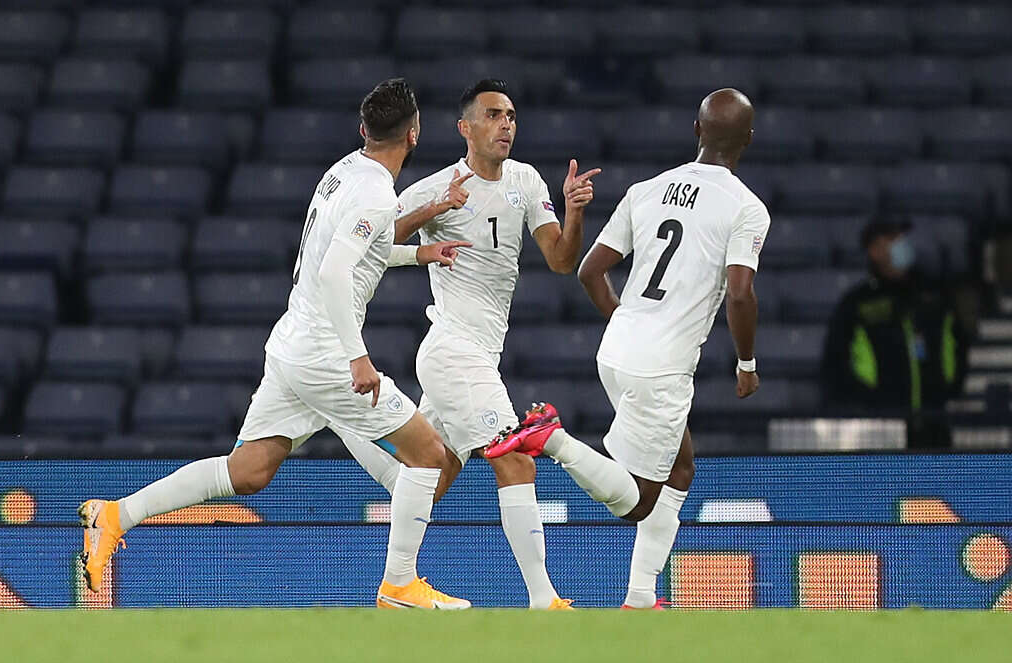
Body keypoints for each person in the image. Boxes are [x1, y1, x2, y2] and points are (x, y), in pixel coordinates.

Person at [79, 78, 474, 610]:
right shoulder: (377, 194)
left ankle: (115, 515)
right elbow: (335, 273)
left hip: (292, 344)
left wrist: (419, 255)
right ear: (414, 134)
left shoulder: (342, 172)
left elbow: (346, 253)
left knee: (248, 471)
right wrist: (357, 357)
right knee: (429, 456)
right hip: (326, 355)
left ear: (363, 130)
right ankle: (399, 584)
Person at [485, 88, 770, 610]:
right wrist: (746, 364)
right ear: (748, 140)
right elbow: (740, 292)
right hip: (662, 367)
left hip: (616, 349)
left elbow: (590, 271)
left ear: (696, 130)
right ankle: (552, 439)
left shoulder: (647, 190)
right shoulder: (746, 208)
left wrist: (627, 324)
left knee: (680, 467)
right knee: (638, 502)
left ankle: (641, 597)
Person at [341, 79, 599, 610]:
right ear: (466, 127)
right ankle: (545, 599)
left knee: (428, 476)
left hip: (478, 353)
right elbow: (372, 242)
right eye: (494, 115)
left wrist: (573, 211)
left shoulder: (526, 180)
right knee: (516, 459)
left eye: (511, 115)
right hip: (453, 350)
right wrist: (432, 217)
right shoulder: (437, 186)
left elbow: (560, 260)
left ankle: (394, 582)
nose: (506, 124)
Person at [822, 218, 967, 445]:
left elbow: (957, 344)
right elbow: (837, 362)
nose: (901, 244)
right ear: (874, 250)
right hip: (883, 427)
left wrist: (948, 389)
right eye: (892, 239)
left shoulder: (934, 295)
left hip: (935, 421)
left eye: (902, 237)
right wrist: (869, 401)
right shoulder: (858, 304)